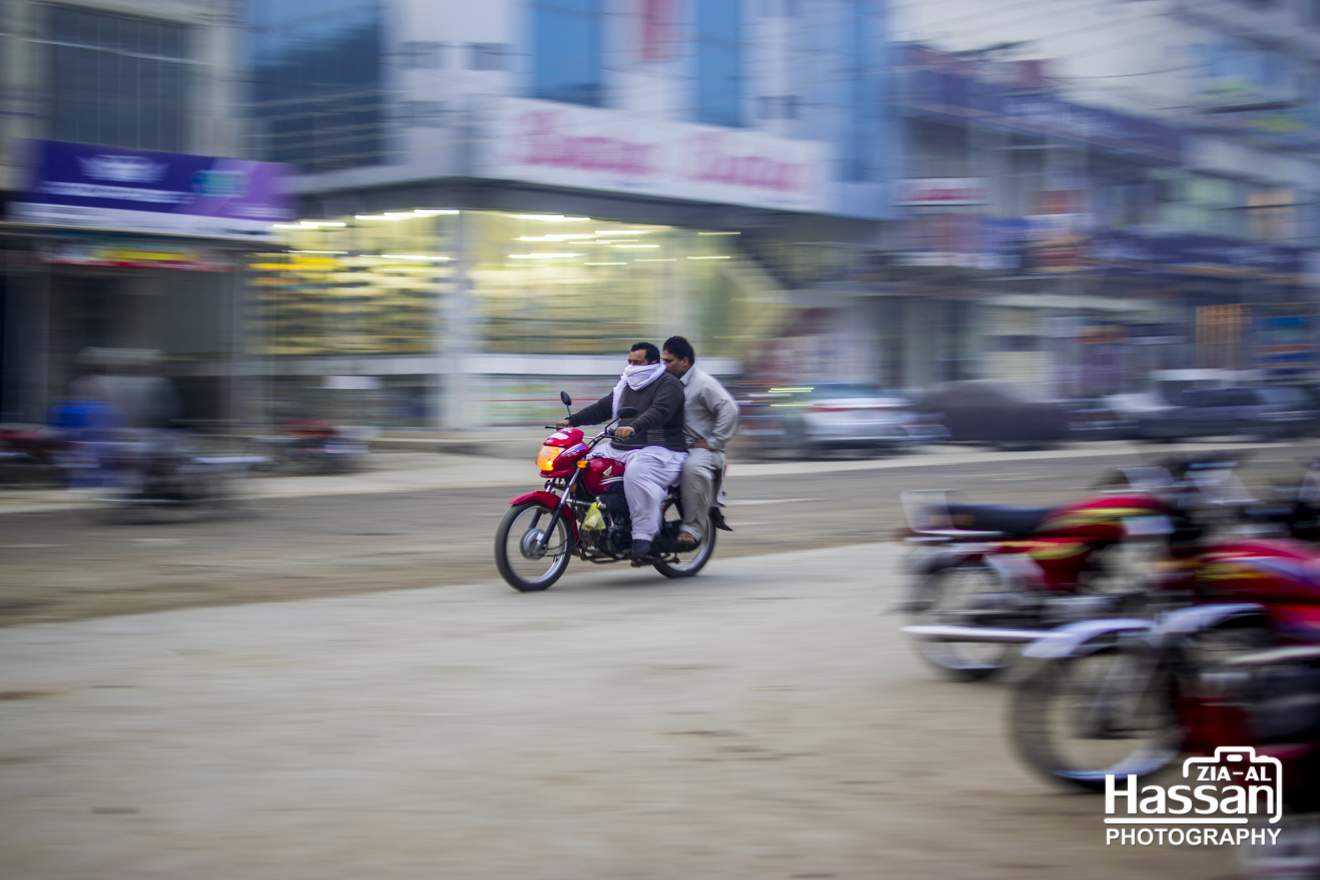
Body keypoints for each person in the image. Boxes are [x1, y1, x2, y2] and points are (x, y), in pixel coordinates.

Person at [559, 342, 687, 559]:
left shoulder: (670, 384)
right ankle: (592, 524)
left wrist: (635, 426)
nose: (632, 366)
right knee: (581, 464)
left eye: (638, 362)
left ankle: (643, 536)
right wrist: (572, 421)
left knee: (636, 471)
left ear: (654, 363)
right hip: (620, 447)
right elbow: (603, 408)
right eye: (630, 361)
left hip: (661, 450)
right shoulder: (625, 385)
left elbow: (659, 412)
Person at [662, 335, 738, 550]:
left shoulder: (703, 383)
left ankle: (693, 528)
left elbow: (729, 409)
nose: (664, 365)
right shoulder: (667, 382)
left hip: (699, 449)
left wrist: (715, 440)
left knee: (691, 469)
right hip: (672, 445)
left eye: (669, 361)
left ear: (684, 362)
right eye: (663, 360)